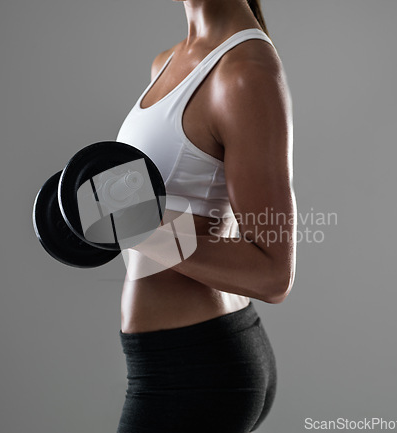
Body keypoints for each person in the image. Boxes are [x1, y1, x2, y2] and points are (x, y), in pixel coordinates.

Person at [115, 0, 296, 431]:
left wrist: (142, 232)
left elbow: (274, 274)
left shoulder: (244, 70)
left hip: (195, 370)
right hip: (179, 361)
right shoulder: (167, 61)